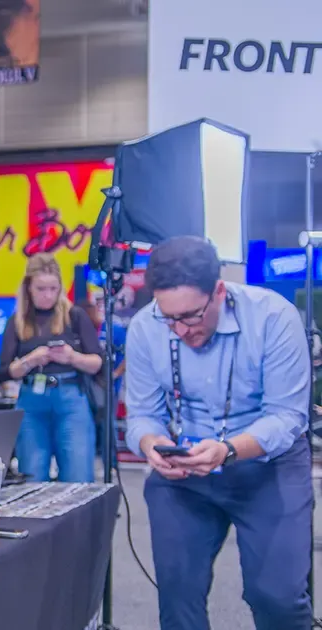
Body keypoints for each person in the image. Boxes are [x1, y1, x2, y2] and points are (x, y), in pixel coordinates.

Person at [125, 236, 312, 630]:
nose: (179, 330)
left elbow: (286, 417)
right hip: (186, 469)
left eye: (191, 316)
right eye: (168, 317)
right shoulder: (145, 328)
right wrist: (151, 444)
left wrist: (227, 450)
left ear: (220, 292)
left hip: (269, 465)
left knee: (276, 598)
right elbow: (143, 414)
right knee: (177, 596)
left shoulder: (274, 318)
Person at [0, 253, 102, 482]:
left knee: (78, 476)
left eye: (53, 288)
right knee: (32, 474)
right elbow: (5, 371)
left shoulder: (75, 316)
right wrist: (31, 360)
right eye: (41, 289)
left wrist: (71, 357)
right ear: (29, 288)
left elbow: (97, 363)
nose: (48, 295)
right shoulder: (17, 321)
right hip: (31, 400)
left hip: (71, 397)